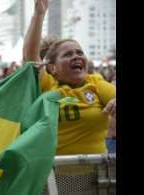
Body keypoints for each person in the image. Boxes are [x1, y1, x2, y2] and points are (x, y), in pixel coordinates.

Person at [23, 0, 116, 154]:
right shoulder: (47, 84)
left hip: (95, 173)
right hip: (54, 175)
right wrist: (38, 15)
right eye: (68, 54)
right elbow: (30, 57)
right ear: (52, 68)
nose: (76, 56)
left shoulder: (96, 83)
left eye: (80, 53)